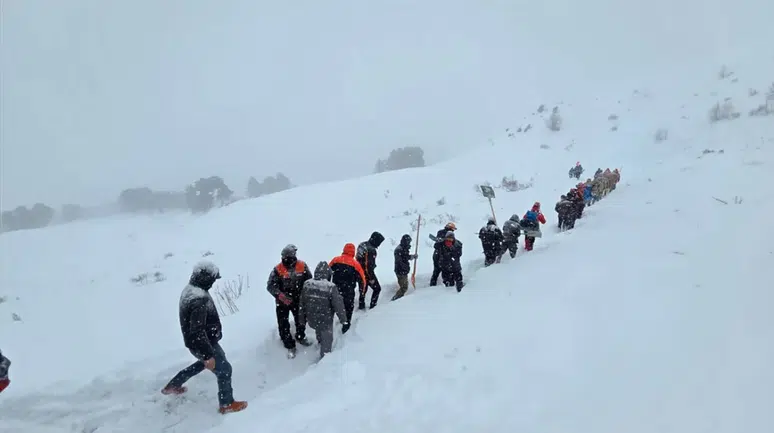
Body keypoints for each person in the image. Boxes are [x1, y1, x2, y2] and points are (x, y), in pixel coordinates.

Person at [161, 261, 247, 414]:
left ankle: (174, 385)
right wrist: (207, 355)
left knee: (206, 363)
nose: (213, 284)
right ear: (205, 279)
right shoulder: (199, 299)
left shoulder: (190, 290)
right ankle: (227, 404)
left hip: (198, 342)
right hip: (203, 343)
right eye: (212, 280)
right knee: (224, 370)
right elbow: (197, 330)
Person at [266, 244, 313, 357]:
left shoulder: (302, 265)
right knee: (283, 324)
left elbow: (309, 281)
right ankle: (289, 345)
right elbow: (270, 286)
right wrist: (282, 296)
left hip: (298, 300)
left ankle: (300, 336)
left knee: (301, 320)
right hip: (282, 302)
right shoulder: (277, 269)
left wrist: (305, 295)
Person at [298, 262, 350, 360]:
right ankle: (324, 361)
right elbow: (338, 305)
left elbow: (302, 304)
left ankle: (319, 341)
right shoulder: (330, 287)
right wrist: (344, 320)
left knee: (318, 327)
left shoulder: (307, 284)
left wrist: (301, 320)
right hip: (325, 320)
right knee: (327, 339)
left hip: (312, 319)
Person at [329, 243, 366, 323]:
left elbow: (327, 272)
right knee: (348, 309)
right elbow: (362, 281)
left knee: (333, 307)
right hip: (348, 292)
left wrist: (328, 284)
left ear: (344, 250)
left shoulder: (335, 260)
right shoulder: (356, 264)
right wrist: (362, 293)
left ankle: (330, 324)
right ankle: (346, 325)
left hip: (336, 289)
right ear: (353, 252)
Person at [356, 231, 385, 310]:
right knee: (377, 289)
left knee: (363, 290)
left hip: (359, 272)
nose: (379, 244)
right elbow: (368, 266)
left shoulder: (362, 245)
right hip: (366, 273)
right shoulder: (371, 250)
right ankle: (373, 307)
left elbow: (358, 258)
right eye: (379, 242)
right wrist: (371, 278)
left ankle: (361, 306)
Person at [392, 234, 417, 301]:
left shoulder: (404, 248)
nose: (409, 243)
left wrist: (412, 256)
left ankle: (398, 299)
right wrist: (405, 268)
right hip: (400, 271)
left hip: (403, 271)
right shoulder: (399, 250)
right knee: (404, 287)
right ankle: (395, 300)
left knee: (404, 287)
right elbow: (400, 261)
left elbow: (405, 256)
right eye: (408, 242)